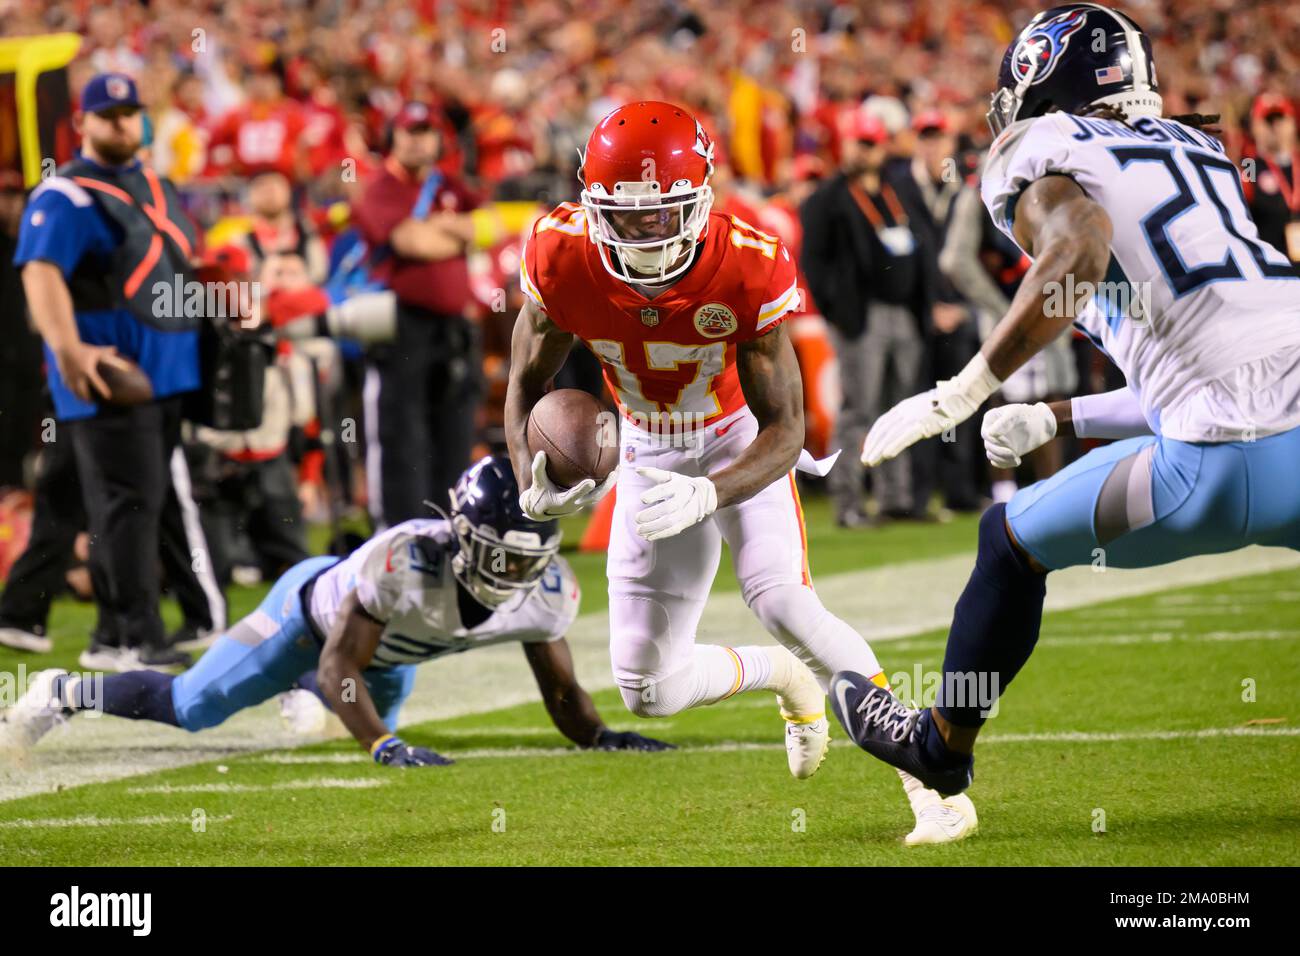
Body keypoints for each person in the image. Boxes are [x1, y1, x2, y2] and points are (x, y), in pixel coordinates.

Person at [830, 4, 1300, 799]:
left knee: (1008, 541)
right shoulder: (1201, 147)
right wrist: (1058, 416)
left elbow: (1079, 247)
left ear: (1042, 77)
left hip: (1217, 466)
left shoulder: (1044, 147)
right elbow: (1227, 355)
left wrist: (968, 385)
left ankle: (941, 745)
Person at [505, 102, 976, 845]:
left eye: (664, 215)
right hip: (644, 450)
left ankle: (931, 783)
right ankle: (780, 678)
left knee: (788, 604)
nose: (647, 234)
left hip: (735, 441)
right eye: (628, 218)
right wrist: (528, 475)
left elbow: (788, 427)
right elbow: (524, 383)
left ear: (701, 200)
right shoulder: (560, 253)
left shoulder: (749, 261)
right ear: (593, 206)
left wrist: (712, 490)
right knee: (647, 691)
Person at [4, 456, 671, 763]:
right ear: (462, 536)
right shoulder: (403, 565)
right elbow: (339, 664)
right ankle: (62, 691)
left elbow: (559, 686)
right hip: (316, 623)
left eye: (526, 561)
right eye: (500, 555)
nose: (513, 574)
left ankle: (310, 700)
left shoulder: (548, 594)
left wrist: (598, 737)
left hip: (392, 650)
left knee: (350, 720)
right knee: (194, 707)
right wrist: (379, 742)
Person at [14, 73, 216, 669]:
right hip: (111, 378)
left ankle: (106, 630)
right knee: (128, 507)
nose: (122, 123)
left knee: (121, 503)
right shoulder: (64, 195)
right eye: (109, 114)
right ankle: (132, 635)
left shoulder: (156, 183)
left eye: (131, 112)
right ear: (84, 123)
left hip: (168, 374)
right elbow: (40, 271)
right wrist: (69, 351)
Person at [352, 101, 492, 524]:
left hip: (452, 330)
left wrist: (450, 230)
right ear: (393, 137)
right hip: (400, 327)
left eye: (427, 131)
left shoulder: (447, 182)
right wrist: (457, 232)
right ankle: (400, 534)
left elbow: (490, 226)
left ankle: (451, 530)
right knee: (401, 438)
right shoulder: (379, 188)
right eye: (410, 131)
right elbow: (415, 244)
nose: (419, 140)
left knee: (454, 434)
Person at [800, 110, 938, 526]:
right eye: (858, 142)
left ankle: (897, 499)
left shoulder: (897, 191)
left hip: (904, 313)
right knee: (858, 409)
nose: (864, 151)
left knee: (899, 409)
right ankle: (849, 504)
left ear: (882, 147)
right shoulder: (828, 198)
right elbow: (814, 261)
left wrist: (927, 304)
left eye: (870, 143)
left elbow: (925, 245)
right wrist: (838, 313)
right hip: (862, 317)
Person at [1242, 93, 1300, 273]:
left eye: (1280, 119)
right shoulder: (1249, 163)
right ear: (1255, 126)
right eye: (1268, 121)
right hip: (1271, 268)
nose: (1275, 127)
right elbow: (1243, 200)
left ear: (1292, 123)